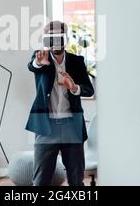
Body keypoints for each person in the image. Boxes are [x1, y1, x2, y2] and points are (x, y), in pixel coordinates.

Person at [25, 21, 94, 186]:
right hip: (46, 128)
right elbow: (33, 66)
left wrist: (75, 87)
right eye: (51, 36)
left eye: (59, 36)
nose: (55, 41)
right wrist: (38, 63)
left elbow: (89, 90)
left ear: (66, 38)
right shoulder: (40, 57)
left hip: (72, 126)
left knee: (76, 181)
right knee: (40, 182)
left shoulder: (77, 61)